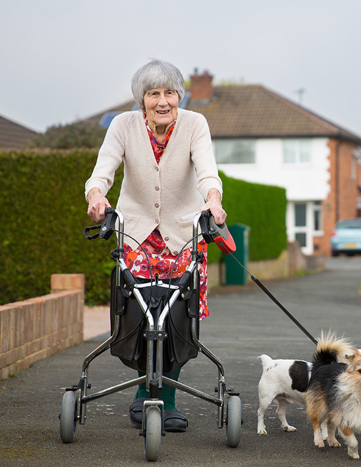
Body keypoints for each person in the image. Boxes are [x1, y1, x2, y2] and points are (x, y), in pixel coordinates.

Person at [85, 59, 225, 433]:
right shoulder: (122, 125)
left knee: (177, 315)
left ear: (179, 95)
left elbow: (207, 170)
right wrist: (97, 195)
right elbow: (103, 170)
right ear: (141, 99)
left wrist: (213, 199)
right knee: (140, 311)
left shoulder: (195, 124)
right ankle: (142, 395)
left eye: (169, 92)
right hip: (136, 235)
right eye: (153, 94)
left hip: (183, 236)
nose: (162, 101)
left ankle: (169, 399)